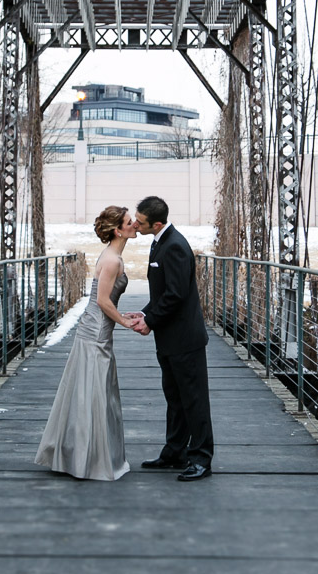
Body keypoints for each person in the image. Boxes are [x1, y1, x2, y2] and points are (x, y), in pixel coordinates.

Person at [34, 205, 138, 480]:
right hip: (97, 330)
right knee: (94, 391)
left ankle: (82, 454)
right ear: (118, 230)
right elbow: (103, 301)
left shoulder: (113, 256)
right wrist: (124, 322)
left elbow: (105, 299)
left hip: (98, 327)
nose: (135, 224)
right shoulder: (113, 260)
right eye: (129, 222)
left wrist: (119, 315)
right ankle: (87, 459)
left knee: (92, 390)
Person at [132, 195, 214, 481]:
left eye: (140, 222)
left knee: (194, 400)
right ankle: (175, 452)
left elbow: (176, 294)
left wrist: (150, 321)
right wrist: (144, 314)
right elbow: (163, 293)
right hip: (170, 338)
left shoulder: (175, 246)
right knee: (175, 397)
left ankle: (201, 458)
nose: (135, 224)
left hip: (184, 339)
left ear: (156, 223)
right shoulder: (161, 242)